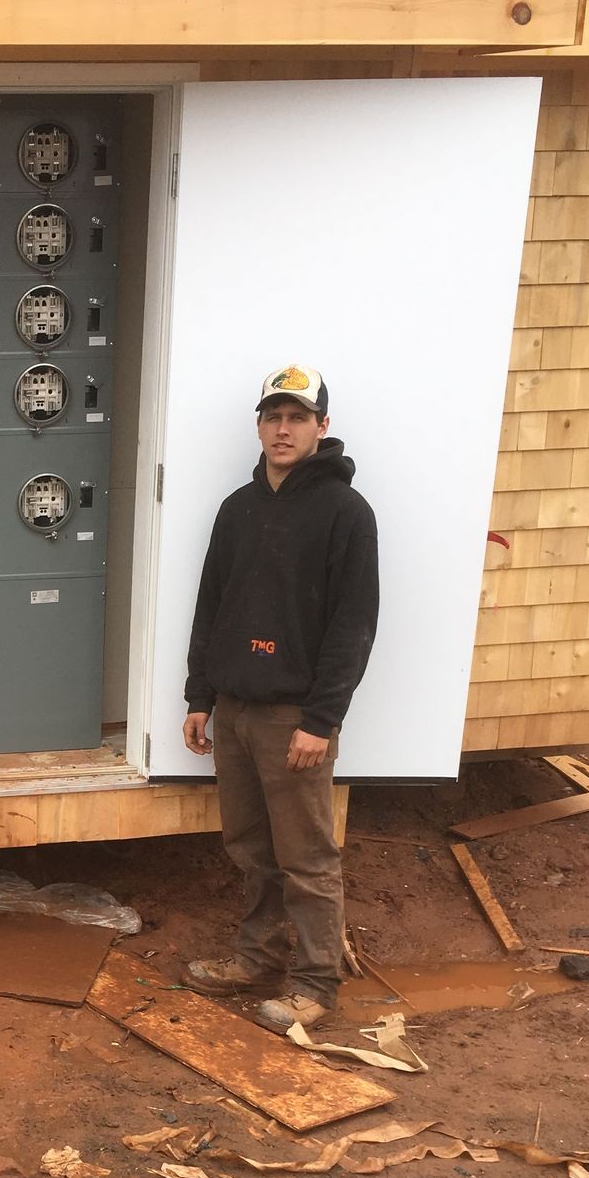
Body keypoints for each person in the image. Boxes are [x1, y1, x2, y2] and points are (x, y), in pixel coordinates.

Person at [181, 366, 379, 1033]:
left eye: (297, 416)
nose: (283, 428)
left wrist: (322, 718)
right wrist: (199, 696)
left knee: (307, 858)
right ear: (260, 425)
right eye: (273, 416)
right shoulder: (237, 509)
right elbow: (212, 603)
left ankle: (316, 984)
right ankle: (257, 959)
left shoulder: (346, 514)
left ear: (322, 427)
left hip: (295, 718)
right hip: (234, 711)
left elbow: (353, 623)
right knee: (250, 849)